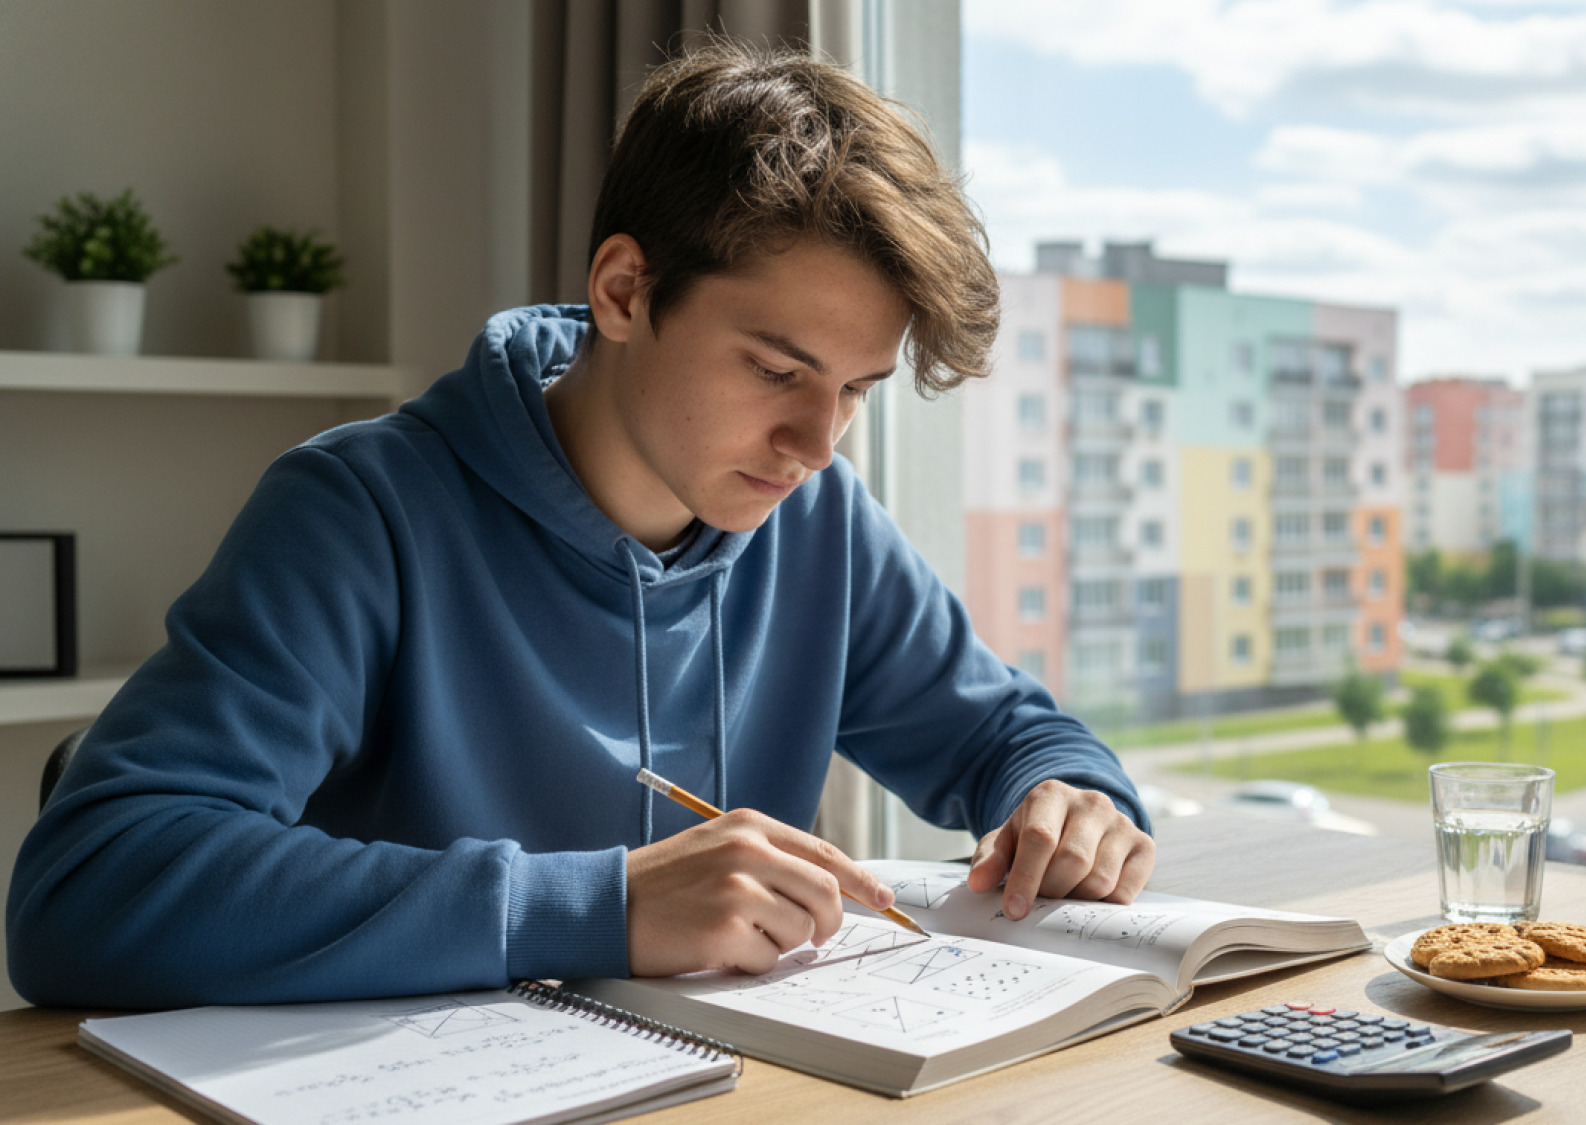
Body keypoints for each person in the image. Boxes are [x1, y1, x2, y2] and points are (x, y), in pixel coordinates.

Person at [7, 43, 1153, 1009]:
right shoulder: (361, 512)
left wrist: (1069, 803)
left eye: (854, 390)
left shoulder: (818, 522)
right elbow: (89, 889)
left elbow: (1012, 739)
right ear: (621, 291)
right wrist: (596, 908)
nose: (816, 444)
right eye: (774, 369)